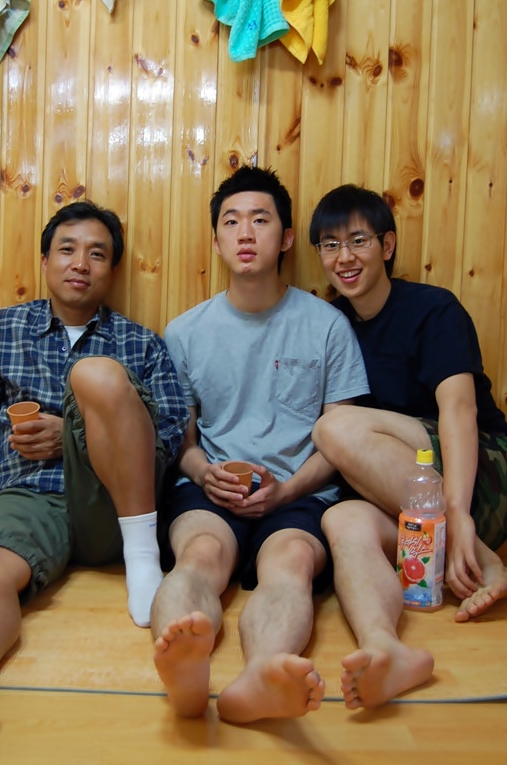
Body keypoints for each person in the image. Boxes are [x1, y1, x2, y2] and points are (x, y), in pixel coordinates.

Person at [0, 200, 189, 735]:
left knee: (97, 376)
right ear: (45, 262)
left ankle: (142, 557)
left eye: (97, 254)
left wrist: (74, 436)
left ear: (112, 271)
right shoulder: (2, 330)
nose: (80, 263)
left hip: (116, 503)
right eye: (67, 250)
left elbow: (173, 430)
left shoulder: (141, 342)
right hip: (29, 493)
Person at [150, 166, 370, 724]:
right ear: (217, 241)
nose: (245, 233)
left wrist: (286, 491)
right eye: (231, 222)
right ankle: (185, 669)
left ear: (287, 237)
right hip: (211, 490)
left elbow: (341, 441)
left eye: (260, 220)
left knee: (290, 563)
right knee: (200, 556)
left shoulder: (327, 326)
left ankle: (263, 674)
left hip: (300, 492)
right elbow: (183, 441)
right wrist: (204, 474)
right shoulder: (184, 332)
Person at [309, 184, 507, 710]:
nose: (344, 257)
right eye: (330, 245)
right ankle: (386, 648)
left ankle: (484, 558)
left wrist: (458, 514)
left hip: (479, 475)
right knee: (342, 520)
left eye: (358, 240)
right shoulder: (331, 325)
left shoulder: (433, 309)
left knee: (335, 428)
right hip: (414, 507)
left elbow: (459, 412)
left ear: (388, 245)